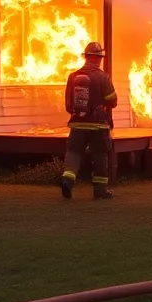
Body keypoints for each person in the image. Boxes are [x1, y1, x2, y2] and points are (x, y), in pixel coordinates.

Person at [60, 42, 119, 200]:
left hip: (77, 123)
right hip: (98, 124)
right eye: (99, 57)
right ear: (98, 58)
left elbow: (68, 105)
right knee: (100, 154)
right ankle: (100, 190)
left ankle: (67, 181)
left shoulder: (73, 76)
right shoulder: (103, 77)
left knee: (73, 152)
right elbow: (112, 101)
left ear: (86, 57)